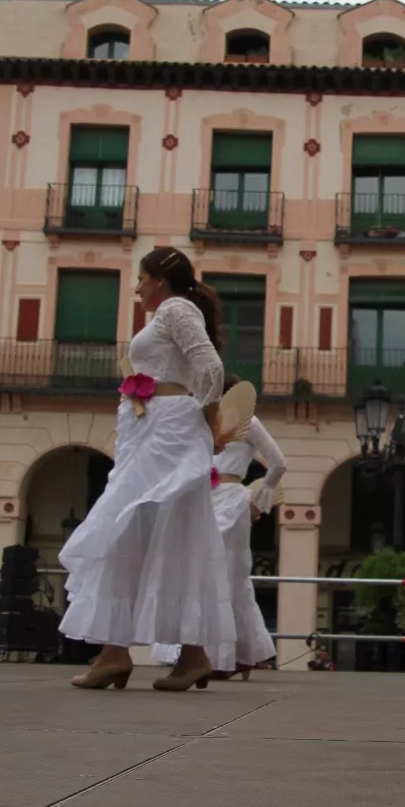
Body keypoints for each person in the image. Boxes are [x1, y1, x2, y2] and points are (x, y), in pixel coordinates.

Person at [60, 246, 234, 693]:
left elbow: (211, 367)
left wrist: (203, 415)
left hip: (167, 428)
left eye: (140, 277)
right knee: (153, 527)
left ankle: (121, 654)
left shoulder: (176, 308)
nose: (136, 287)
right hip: (152, 427)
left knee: (139, 523)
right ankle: (159, 654)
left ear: (158, 279)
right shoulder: (165, 316)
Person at [152, 373, 284, 681]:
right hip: (202, 498)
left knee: (222, 576)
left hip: (232, 501)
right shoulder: (203, 423)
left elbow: (278, 462)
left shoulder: (249, 424)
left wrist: (259, 497)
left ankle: (218, 655)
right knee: (216, 577)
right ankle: (236, 654)